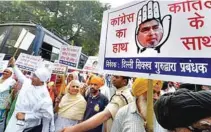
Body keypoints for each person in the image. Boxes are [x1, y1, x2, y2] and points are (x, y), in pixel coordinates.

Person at [61, 75, 134, 132]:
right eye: (91, 84)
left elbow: (104, 116)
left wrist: (73, 129)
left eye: (117, 77)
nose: (113, 79)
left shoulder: (115, 97)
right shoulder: (88, 95)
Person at [5, 57, 54, 132]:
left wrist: (26, 116)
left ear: (41, 80)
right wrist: (14, 66)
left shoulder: (44, 96)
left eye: (35, 76)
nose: (31, 78)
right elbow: (21, 77)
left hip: (27, 125)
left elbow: (46, 114)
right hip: (15, 120)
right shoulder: (28, 83)